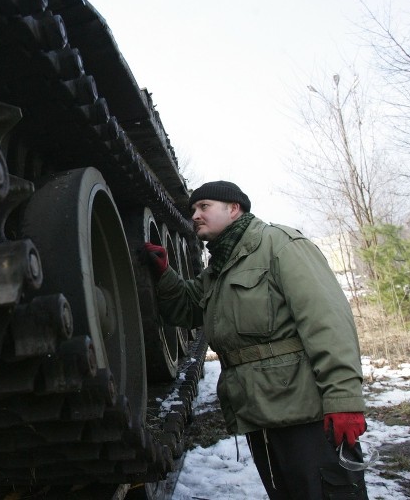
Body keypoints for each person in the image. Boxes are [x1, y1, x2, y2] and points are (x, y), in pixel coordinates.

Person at [143, 180, 368, 500]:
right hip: (260, 412)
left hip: (306, 413)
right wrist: (165, 273)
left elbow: (328, 322)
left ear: (233, 209)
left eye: (204, 206)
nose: (195, 215)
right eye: (193, 209)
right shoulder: (219, 267)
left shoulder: (279, 245)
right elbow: (189, 309)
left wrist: (344, 400)